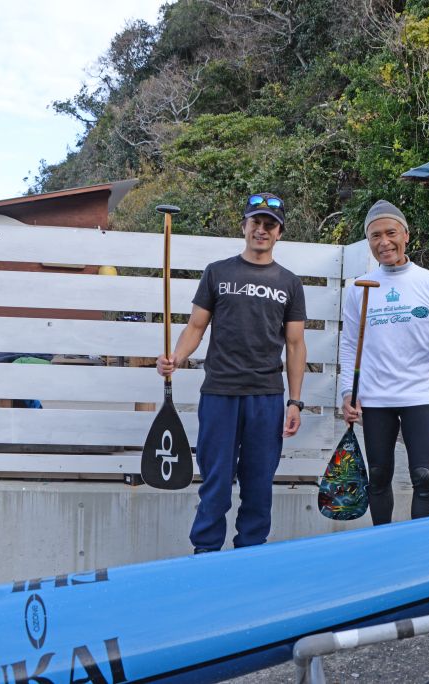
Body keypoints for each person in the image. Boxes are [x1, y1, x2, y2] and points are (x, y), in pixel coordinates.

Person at [157, 192, 307, 553]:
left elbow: (296, 345)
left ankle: (251, 556)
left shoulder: (290, 282)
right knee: (216, 483)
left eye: (269, 225)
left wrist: (296, 402)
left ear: (279, 233)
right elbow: (195, 326)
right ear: (244, 226)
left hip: (266, 396)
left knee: (258, 485)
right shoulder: (218, 272)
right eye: (255, 222)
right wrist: (176, 357)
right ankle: (206, 555)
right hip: (220, 394)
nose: (261, 230)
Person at [339, 199, 429, 525]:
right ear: (368, 241)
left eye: (391, 233)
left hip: (418, 396)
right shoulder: (359, 288)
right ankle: (384, 546)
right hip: (376, 397)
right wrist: (346, 394)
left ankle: (421, 552)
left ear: (406, 235)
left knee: (424, 477)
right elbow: (349, 344)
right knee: (379, 476)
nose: (384, 242)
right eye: (375, 236)